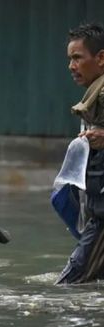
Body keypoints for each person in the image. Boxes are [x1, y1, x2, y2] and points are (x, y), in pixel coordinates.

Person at [56, 23, 104, 283]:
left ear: (101, 58)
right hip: (97, 210)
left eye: (77, 58)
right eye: (69, 59)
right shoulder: (93, 98)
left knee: (69, 285)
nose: (71, 66)